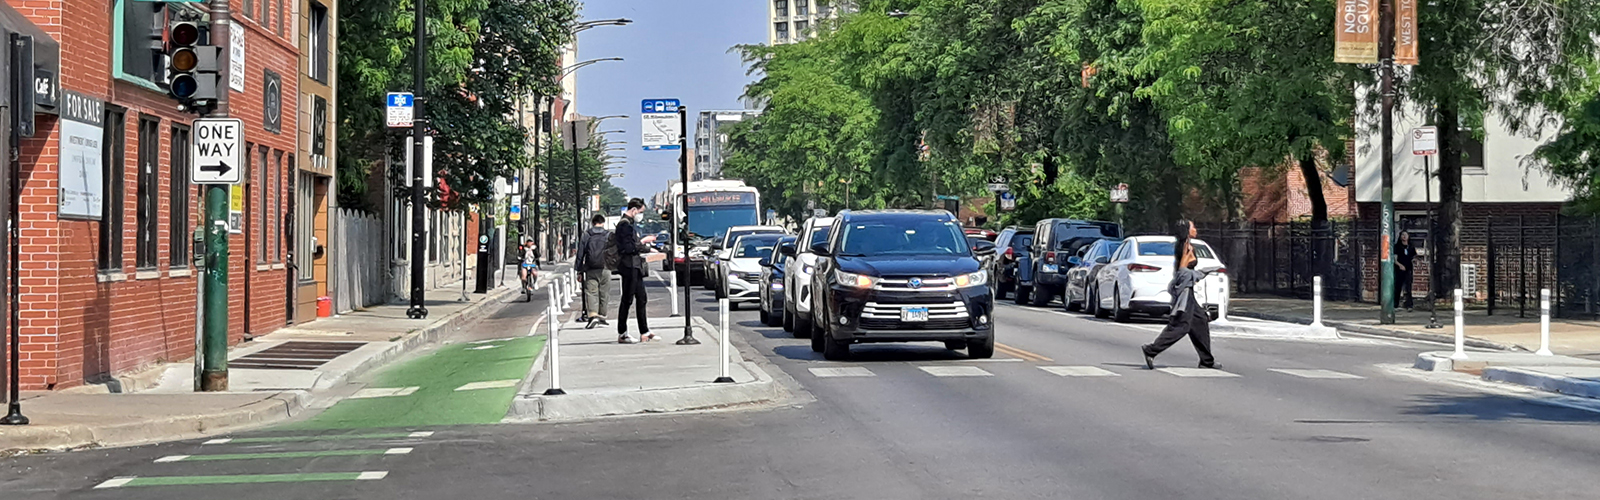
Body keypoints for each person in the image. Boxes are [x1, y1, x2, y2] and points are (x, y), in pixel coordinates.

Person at [1141, 220, 1217, 369]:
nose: (1195, 229)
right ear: (1187, 230)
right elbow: (1182, 268)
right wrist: (1197, 274)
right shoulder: (1185, 246)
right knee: (1181, 325)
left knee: (1200, 320)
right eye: (1193, 227)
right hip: (1185, 290)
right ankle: (1151, 350)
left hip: (1188, 288)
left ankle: (1207, 361)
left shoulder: (1186, 244)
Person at [615, 199, 656, 343]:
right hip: (629, 266)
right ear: (634, 210)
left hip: (634, 266)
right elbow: (628, 248)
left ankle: (644, 331)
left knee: (642, 298)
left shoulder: (629, 225)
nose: (641, 215)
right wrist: (643, 243)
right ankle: (622, 333)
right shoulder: (624, 226)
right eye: (641, 212)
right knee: (627, 299)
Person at [576, 214, 613, 328]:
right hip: (605, 268)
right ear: (603, 223)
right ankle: (602, 316)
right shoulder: (608, 235)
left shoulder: (586, 235)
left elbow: (580, 253)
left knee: (591, 292)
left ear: (592, 223)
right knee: (604, 293)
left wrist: (579, 270)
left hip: (590, 268)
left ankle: (592, 315)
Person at [1395, 231, 1416, 312]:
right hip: (1399, 268)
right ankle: (1395, 304)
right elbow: (1395, 259)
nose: (1404, 236)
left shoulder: (1411, 247)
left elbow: (1414, 256)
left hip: (1408, 268)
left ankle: (1409, 304)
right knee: (1398, 286)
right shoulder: (1397, 247)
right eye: (1402, 235)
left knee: (1408, 287)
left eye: (1406, 235)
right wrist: (1400, 265)